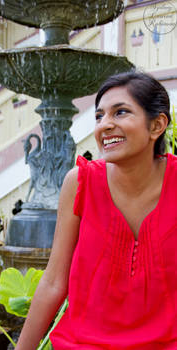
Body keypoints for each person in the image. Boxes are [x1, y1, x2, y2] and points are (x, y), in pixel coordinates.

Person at [15, 70, 177, 350]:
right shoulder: (79, 182)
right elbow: (54, 282)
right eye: (99, 116)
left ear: (156, 126)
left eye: (121, 112)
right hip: (83, 344)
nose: (105, 125)